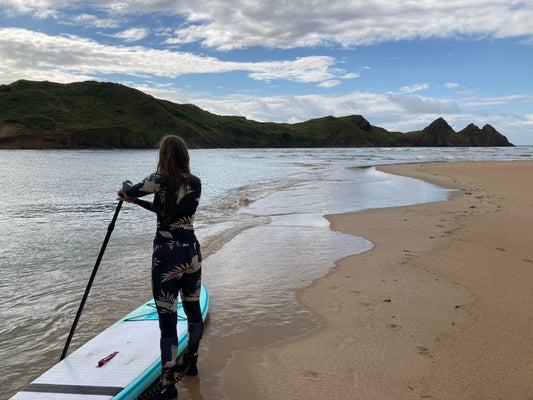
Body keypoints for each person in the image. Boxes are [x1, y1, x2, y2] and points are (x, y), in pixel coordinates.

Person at [117, 135, 203, 400]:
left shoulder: (159, 179)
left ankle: (167, 384)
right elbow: (166, 211)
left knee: (167, 324)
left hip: (166, 258)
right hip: (192, 254)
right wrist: (138, 202)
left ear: (164, 155)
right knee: (193, 312)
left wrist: (128, 193)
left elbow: (130, 190)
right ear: (184, 155)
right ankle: (191, 363)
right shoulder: (196, 183)